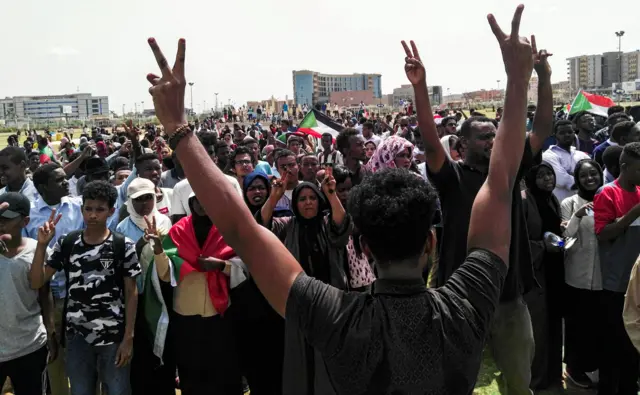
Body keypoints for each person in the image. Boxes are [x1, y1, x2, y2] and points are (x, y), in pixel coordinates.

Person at [140, 6, 532, 390]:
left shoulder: (336, 317)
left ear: (363, 245)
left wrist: (177, 127)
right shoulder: (466, 304)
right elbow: (500, 183)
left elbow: (241, 229)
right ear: (430, 242)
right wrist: (518, 80)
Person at [420, 19, 552, 395]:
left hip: (509, 297)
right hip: (460, 299)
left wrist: (542, 77)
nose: (493, 140)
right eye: (483, 137)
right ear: (461, 145)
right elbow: (430, 144)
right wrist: (419, 89)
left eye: (495, 135)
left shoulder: (509, 170)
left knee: (518, 384)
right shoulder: (451, 178)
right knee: (457, 382)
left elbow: (542, 127)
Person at [29, 180, 140, 395]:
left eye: (100, 209)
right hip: (77, 337)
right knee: (81, 390)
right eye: (88, 209)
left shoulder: (122, 245)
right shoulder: (67, 242)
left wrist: (128, 337)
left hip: (113, 336)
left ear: (111, 211)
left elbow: (131, 292)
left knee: (118, 390)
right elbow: (36, 281)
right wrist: (42, 245)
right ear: (81, 209)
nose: (93, 215)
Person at [257, 172, 351, 395]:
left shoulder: (328, 224)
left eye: (313, 198)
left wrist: (331, 195)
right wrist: (273, 197)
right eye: (302, 199)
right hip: (299, 304)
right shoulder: (287, 226)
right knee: (302, 356)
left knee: (331, 353)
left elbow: (342, 224)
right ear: (295, 204)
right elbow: (261, 226)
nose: (308, 202)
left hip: (331, 302)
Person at [149, 193, 243, 395]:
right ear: (190, 203)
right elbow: (166, 275)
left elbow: (244, 267)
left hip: (220, 312)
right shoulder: (178, 230)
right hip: (186, 312)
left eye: (207, 199)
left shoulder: (227, 229)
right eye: (197, 200)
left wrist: (220, 265)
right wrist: (158, 249)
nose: (202, 204)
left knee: (222, 371)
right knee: (190, 371)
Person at [593, 142, 640, 395]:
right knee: (614, 348)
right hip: (616, 285)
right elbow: (603, 234)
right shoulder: (606, 193)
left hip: (637, 285)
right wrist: (634, 213)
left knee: (634, 346)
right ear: (624, 166)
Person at [0, 193, 55, 395]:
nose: (1, 224)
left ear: (25, 221)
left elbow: (43, 290)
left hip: (29, 346)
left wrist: (50, 331)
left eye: (7, 219)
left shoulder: (35, 249)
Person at [560, 159, 603, 388]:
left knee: (596, 325)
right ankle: (574, 368)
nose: (590, 178)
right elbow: (566, 238)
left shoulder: (608, 198)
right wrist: (576, 216)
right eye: (584, 175)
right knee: (577, 325)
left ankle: (593, 366)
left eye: (593, 173)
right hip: (577, 275)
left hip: (603, 276)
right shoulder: (569, 202)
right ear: (577, 179)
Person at [521, 162, 564, 390]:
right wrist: (541, 246)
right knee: (538, 328)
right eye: (541, 175)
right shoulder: (525, 201)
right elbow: (518, 242)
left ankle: (554, 374)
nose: (548, 179)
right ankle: (536, 379)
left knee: (555, 324)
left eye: (550, 174)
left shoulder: (552, 199)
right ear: (531, 179)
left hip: (555, 270)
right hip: (537, 275)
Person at [542, 120, 590, 202]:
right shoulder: (548, 156)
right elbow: (562, 180)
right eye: (562, 133)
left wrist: (571, 174)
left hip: (584, 203)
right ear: (555, 135)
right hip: (562, 204)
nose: (567, 135)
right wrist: (584, 179)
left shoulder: (582, 155)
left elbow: (594, 176)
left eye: (570, 132)